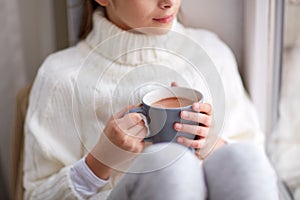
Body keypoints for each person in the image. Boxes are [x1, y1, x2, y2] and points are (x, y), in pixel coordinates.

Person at [23, 0, 279, 199]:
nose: (169, 2)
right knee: (170, 166)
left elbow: (255, 163)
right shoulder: (61, 77)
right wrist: (99, 162)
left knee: (244, 158)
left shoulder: (212, 52)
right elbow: (35, 195)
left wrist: (212, 144)